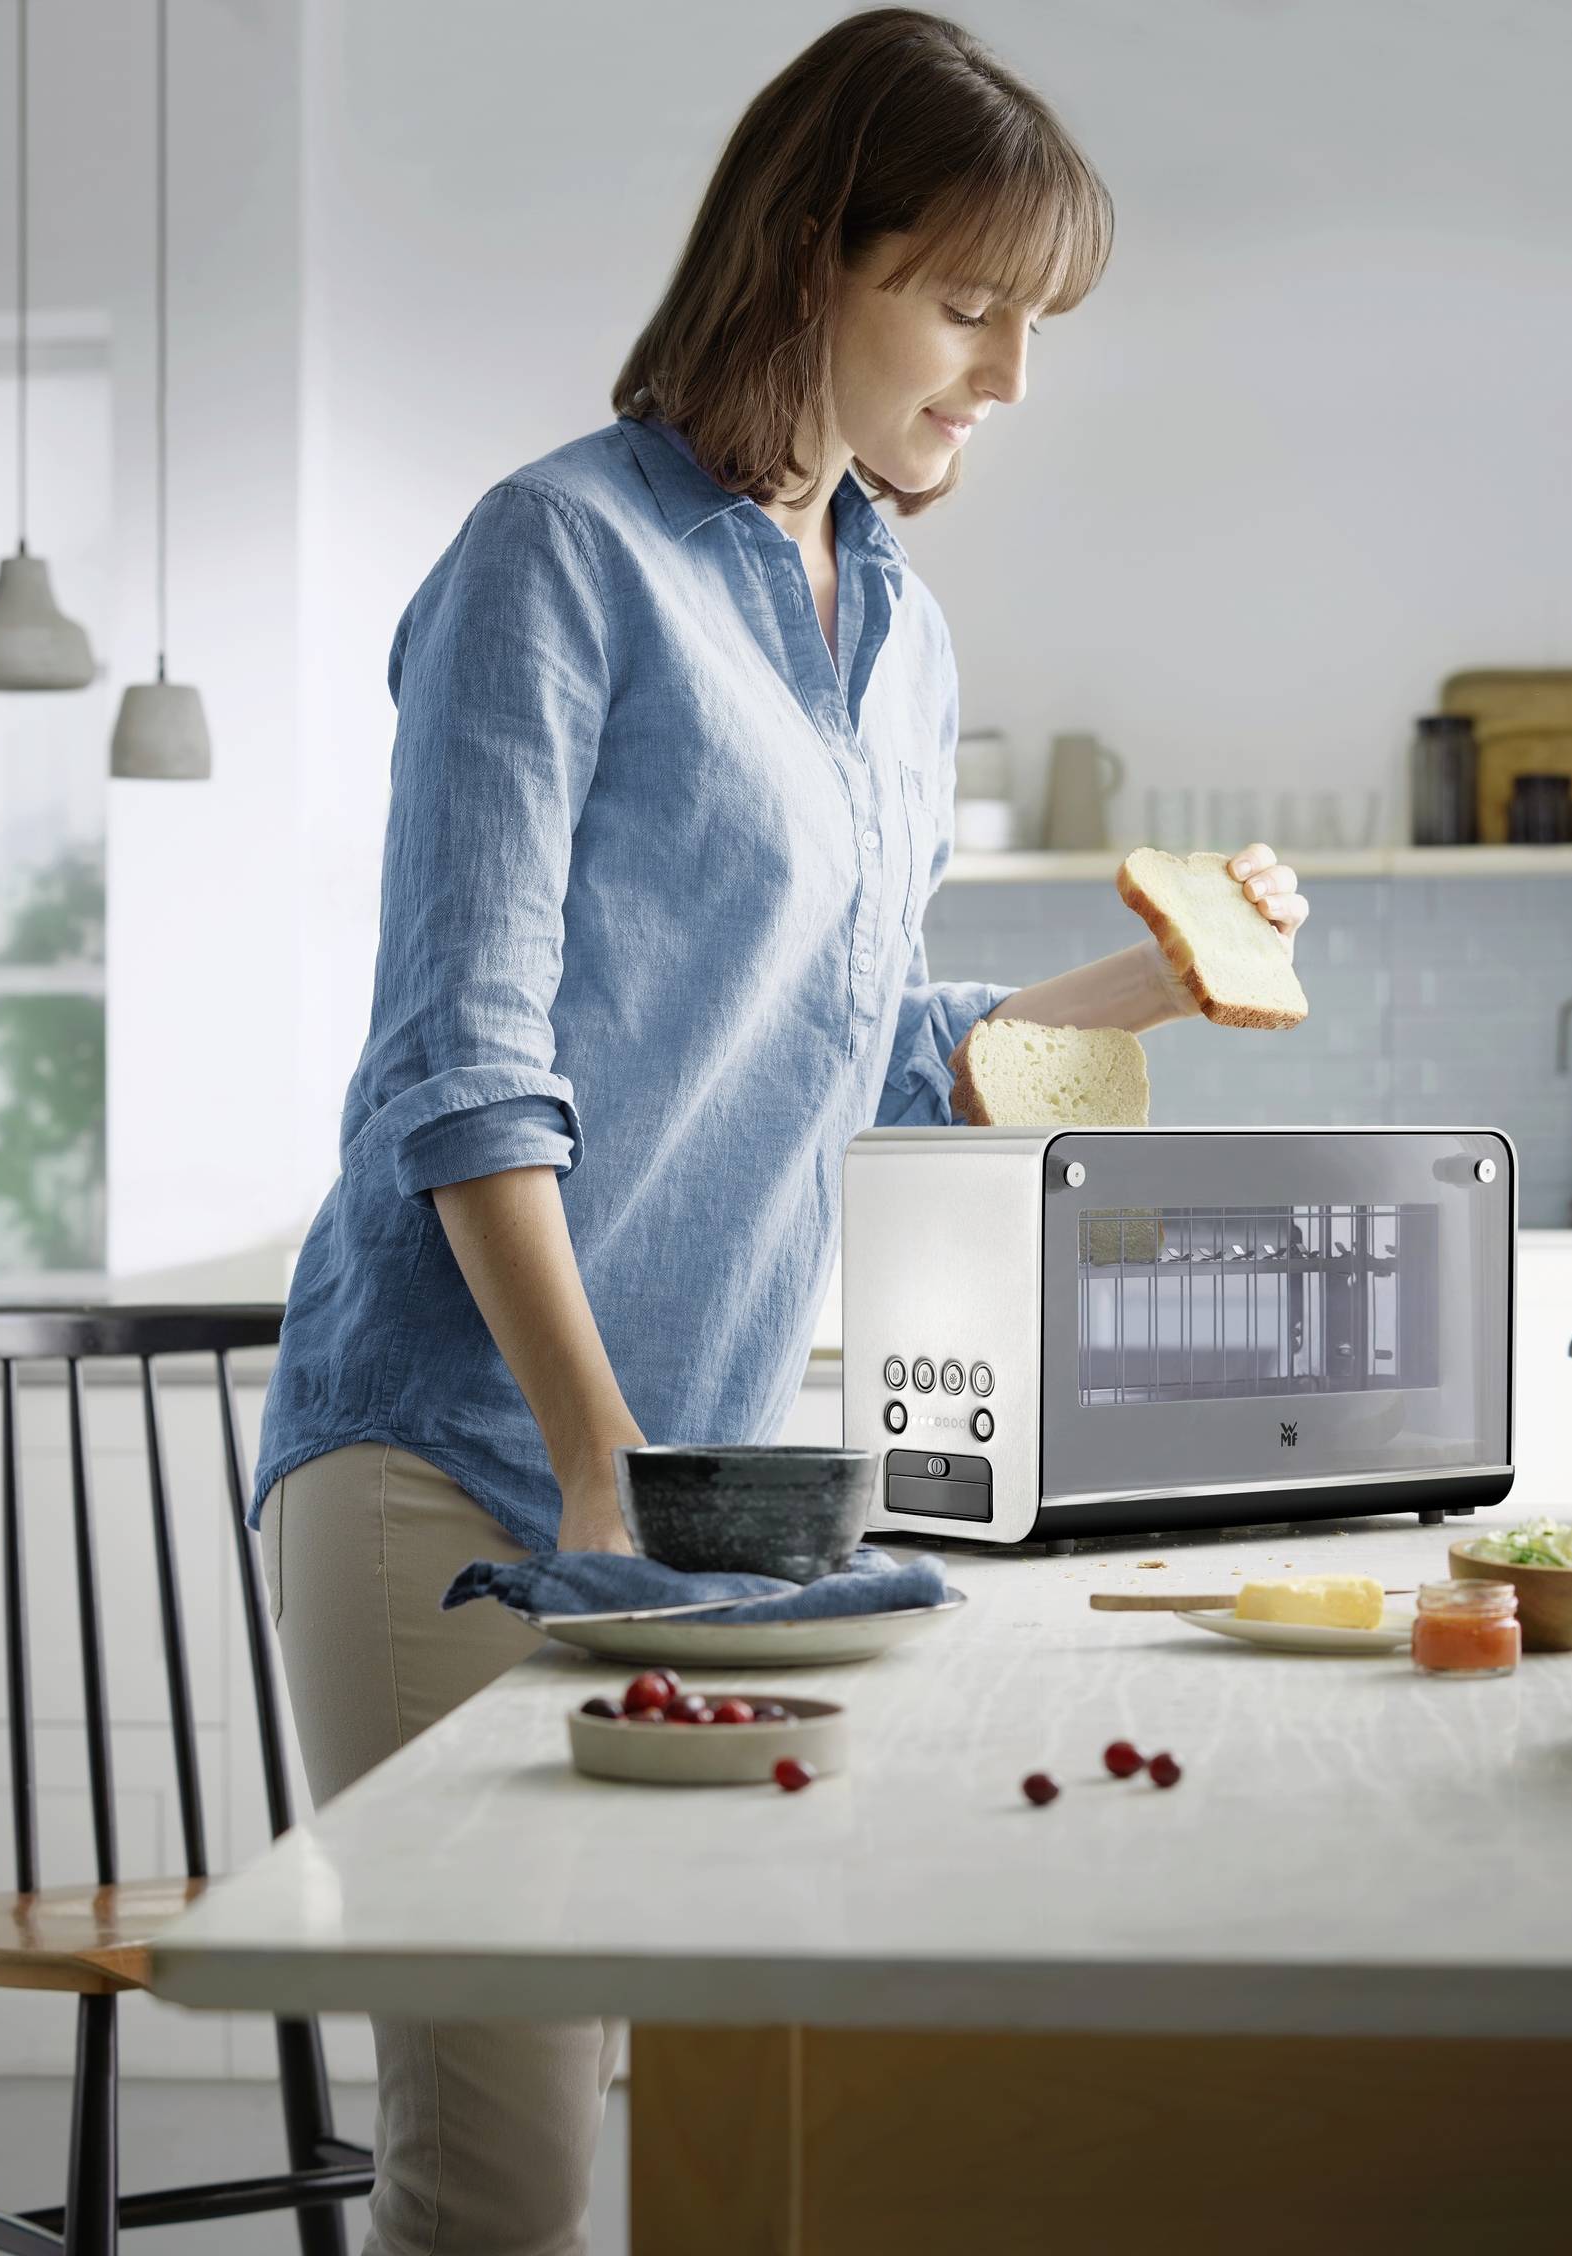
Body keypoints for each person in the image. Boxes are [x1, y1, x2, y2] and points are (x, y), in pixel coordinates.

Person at [250, 11, 1304, 2250]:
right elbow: (461, 1055)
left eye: (1038, 327)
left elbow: (867, 1050)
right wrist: (600, 1453)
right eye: (966, 304)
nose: (1007, 377)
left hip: (714, 1497)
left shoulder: (901, 637)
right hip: (454, 1468)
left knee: (756, 2129)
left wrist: (1164, 974)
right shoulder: (553, 556)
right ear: (806, 255)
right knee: (508, 2172)